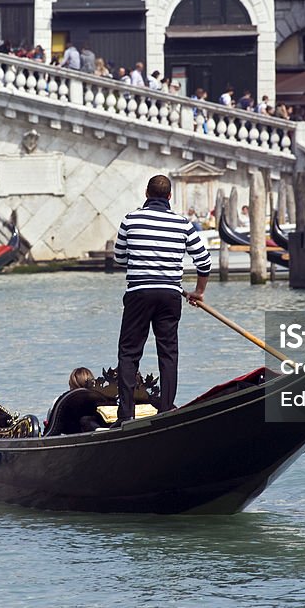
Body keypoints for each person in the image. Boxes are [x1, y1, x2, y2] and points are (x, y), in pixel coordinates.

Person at [113, 175, 210, 423]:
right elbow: (204, 261)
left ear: (146, 193)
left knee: (129, 353)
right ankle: (166, 410)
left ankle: (126, 416)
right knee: (168, 353)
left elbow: (119, 258)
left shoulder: (130, 219)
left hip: (139, 293)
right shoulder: (182, 223)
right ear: (169, 196)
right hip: (170, 294)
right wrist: (199, 291)